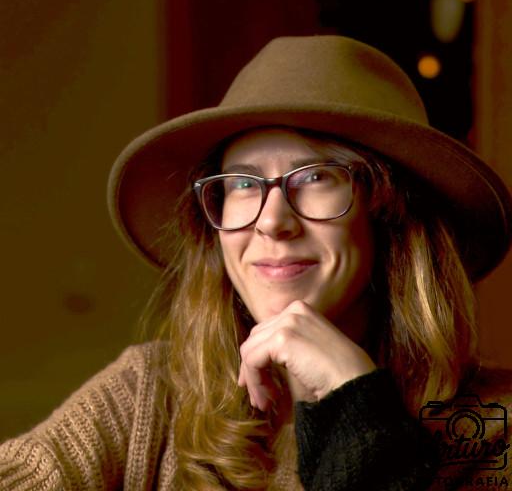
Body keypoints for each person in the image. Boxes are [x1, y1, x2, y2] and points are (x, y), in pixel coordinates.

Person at [1, 35, 512, 491]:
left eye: (315, 177)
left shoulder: (495, 431)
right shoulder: (149, 395)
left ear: (393, 216)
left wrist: (358, 415)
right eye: (243, 183)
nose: (271, 222)